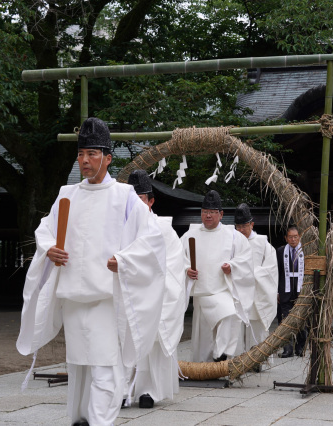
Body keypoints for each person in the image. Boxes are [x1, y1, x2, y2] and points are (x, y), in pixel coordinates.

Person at [16, 117, 166, 426]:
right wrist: (49, 251)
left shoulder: (124, 197)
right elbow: (45, 230)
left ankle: (100, 421)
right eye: (81, 153)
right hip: (73, 297)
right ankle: (80, 419)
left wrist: (123, 260)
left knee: (104, 366)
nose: (85, 160)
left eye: (92, 154)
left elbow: (152, 239)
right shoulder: (67, 194)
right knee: (78, 366)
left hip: (104, 299)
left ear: (108, 158)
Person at [123, 170, 185, 408]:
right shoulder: (119, 226)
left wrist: (155, 287)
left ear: (151, 201)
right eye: (133, 199)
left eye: (142, 199)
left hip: (156, 294)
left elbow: (173, 265)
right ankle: (122, 390)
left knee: (152, 343)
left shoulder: (163, 229)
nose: (137, 204)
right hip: (128, 292)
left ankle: (149, 390)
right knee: (124, 340)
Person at [181, 190, 254, 362]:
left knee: (230, 314)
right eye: (205, 211)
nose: (207, 216)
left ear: (221, 214)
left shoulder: (233, 236)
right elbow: (176, 258)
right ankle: (203, 367)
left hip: (222, 290)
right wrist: (186, 269)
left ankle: (221, 354)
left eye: (212, 212)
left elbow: (245, 259)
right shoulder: (190, 234)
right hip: (200, 292)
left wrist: (232, 267)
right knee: (203, 336)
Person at [233, 203, 278, 354]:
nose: (240, 230)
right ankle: (238, 359)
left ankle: (257, 360)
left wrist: (251, 274)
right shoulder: (232, 242)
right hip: (237, 291)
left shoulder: (262, 243)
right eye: (237, 226)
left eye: (243, 226)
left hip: (256, 292)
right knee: (237, 326)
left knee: (256, 325)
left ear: (251, 224)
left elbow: (270, 270)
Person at [276, 225, 307, 357]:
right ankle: (287, 348)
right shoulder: (280, 251)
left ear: (299, 237)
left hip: (301, 290)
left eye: (295, 236)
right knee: (285, 319)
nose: (293, 239)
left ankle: (300, 347)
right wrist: (276, 291)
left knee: (301, 319)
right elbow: (276, 272)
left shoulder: (306, 250)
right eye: (290, 237)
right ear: (286, 238)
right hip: (285, 289)